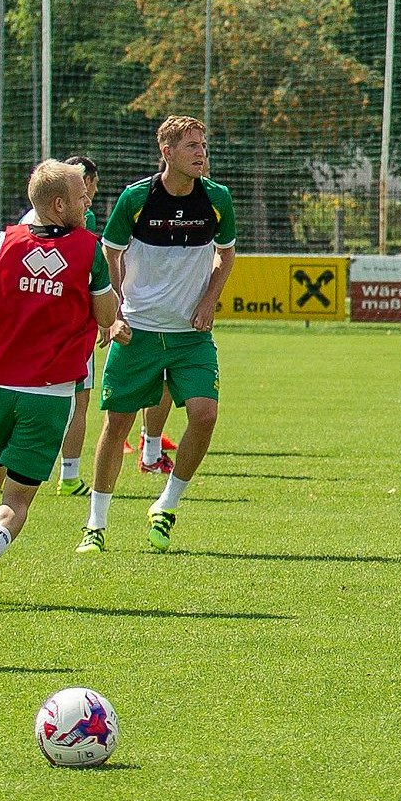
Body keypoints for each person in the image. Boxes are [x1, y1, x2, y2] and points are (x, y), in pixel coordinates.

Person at [0, 161, 120, 610]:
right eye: (82, 196)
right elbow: (107, 316)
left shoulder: (1, 242)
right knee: (17, 498)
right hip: (49, 394)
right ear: (60, 204)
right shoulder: (88, 250)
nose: (89, 202)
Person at [88, 118, 237, 554]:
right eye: (191, 146)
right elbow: (110, 252)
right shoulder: (136, 198)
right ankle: (95, 524)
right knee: (116, 425)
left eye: (203, 145)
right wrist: (115, 311)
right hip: (138, 332)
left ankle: (167, 504)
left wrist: (209, 300)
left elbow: (226, 255)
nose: (201, 153)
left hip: (191, 335)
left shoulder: (217, 198)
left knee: (205, 415)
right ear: (167, 152)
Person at [43, 154, 103, 487]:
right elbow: (90, 276)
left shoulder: (28, 219)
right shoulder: (84, 220)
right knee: (79, 400)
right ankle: (69, 476)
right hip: (72, 322)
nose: (89, 196)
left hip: (34, 320)